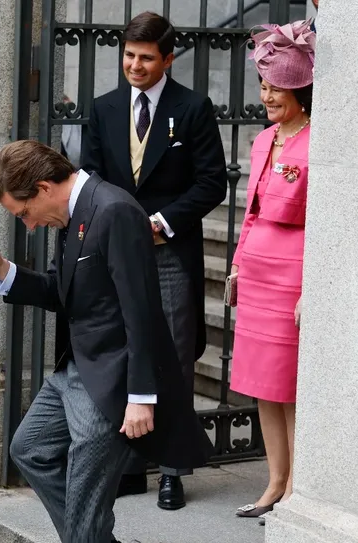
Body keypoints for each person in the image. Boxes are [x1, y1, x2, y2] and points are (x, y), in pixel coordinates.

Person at [0, 140, 207, 543]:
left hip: (118, 377)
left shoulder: (116, 210)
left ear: (42, 188)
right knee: (29, 448)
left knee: (84, 487)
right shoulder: (76, 210)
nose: (29, 224)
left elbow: (142, 311)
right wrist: (5, 273)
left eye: (25, 213)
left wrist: (142, 396)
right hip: (79, 368)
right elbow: (64, 292)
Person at [82, 11, 227, 510]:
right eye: (128, 56)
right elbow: (92, 178)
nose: (135, 66)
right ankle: (128, 461)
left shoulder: (192, 108)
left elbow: (211, 182)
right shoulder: (103, 109)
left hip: (169, 254)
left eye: (146, 57)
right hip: (116, 256)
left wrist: (163, 222)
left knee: (174, 357)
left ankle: (171, 468)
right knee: (122, 348)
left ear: (168, 58)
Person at [227, 20, 315, 520]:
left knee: (290, 385)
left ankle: (299, 485)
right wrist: (237, 266)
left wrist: (312, 287)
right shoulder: (263, 141)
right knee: (262, 384)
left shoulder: (317, 140)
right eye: (263, 86)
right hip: (258, 271)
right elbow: (252, 210)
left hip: (295, 272)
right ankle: (274, 481)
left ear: (299, 88)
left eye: (275, 86)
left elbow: (325, 221)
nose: (267, 96)